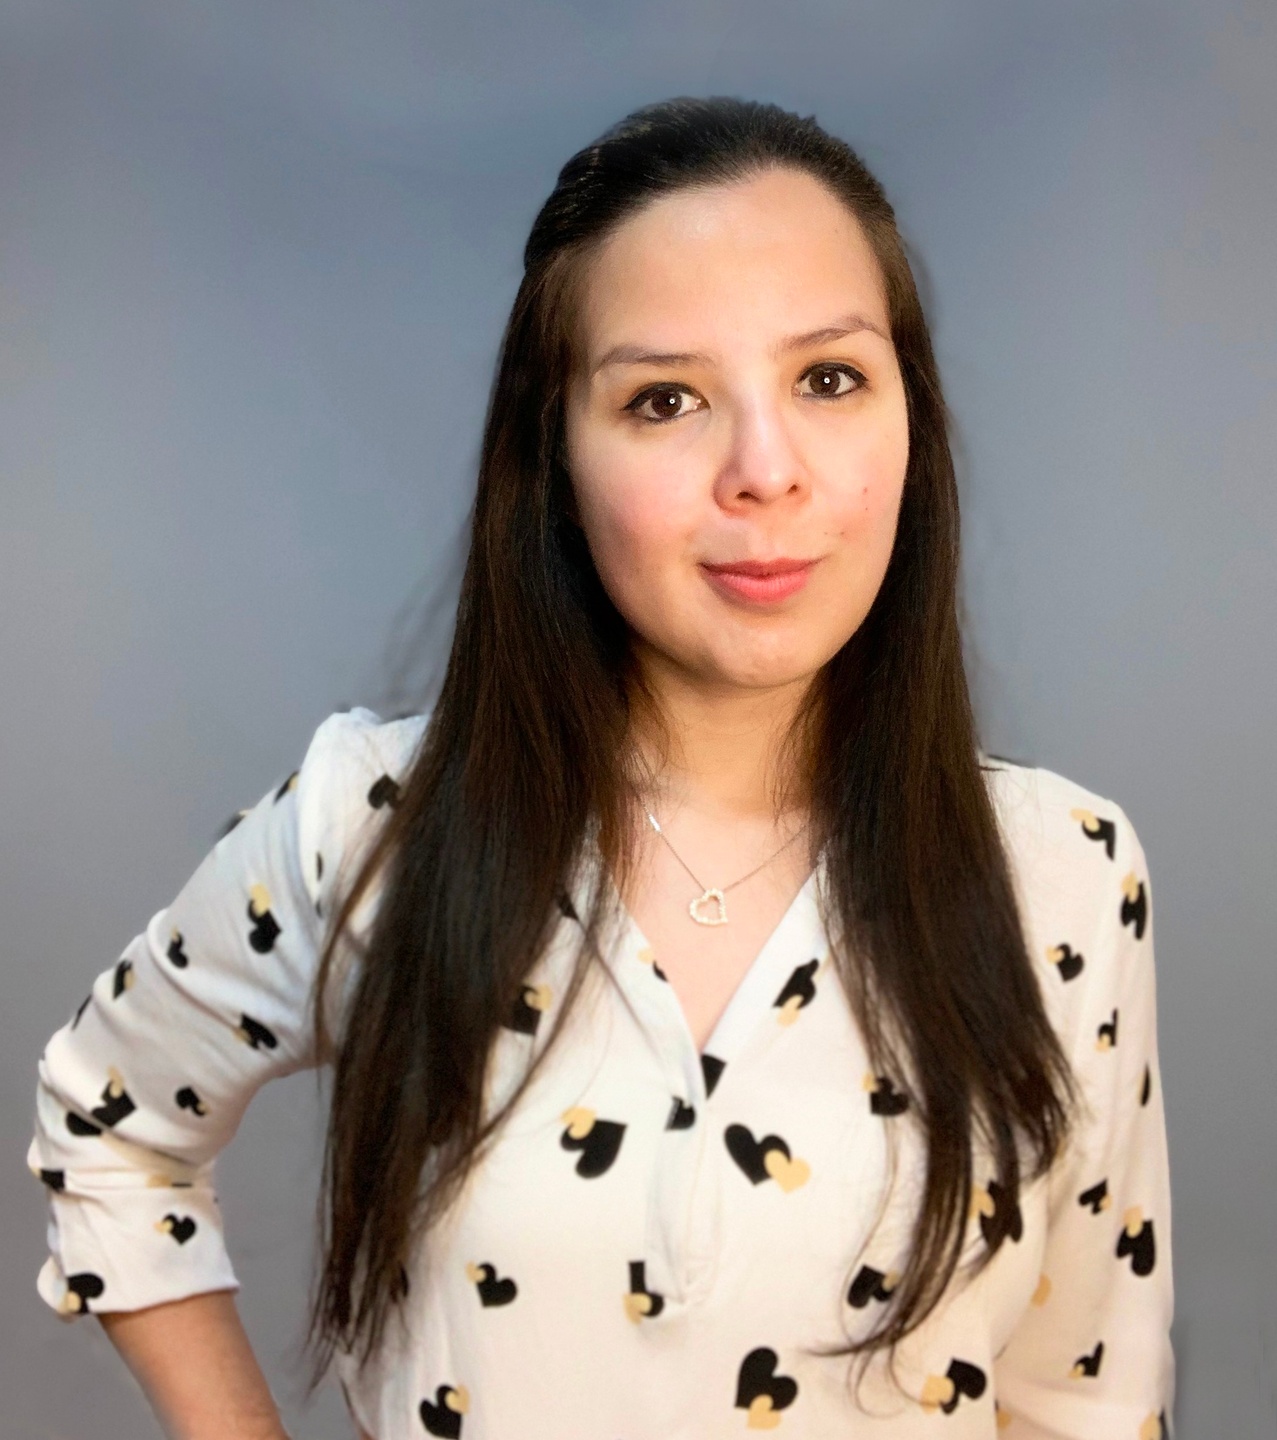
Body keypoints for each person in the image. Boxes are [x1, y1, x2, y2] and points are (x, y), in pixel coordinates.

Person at [27, 96, 1174, 1439]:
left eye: (826, 379)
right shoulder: (376, 828)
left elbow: (1081, 1390)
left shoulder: (1064, 873)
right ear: (555, 456)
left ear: (908, 419)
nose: (765, 470)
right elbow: (106, 1125)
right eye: (665, 399)